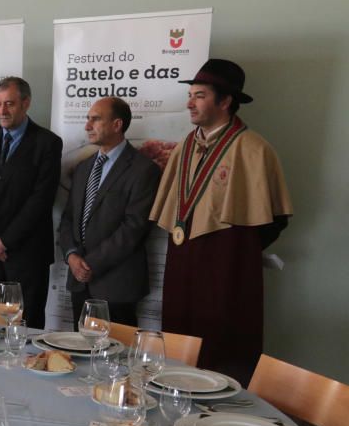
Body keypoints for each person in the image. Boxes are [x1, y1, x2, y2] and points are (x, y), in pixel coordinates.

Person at [150, 59, 293, 384]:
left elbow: (276, 218)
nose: (189, 103)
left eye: (199, 95)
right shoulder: (186, 145)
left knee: (223, 345)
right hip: (183, 262)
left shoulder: (253, 149)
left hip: (227, 267)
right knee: (178, 343)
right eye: (191, 95)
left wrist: (235, 250)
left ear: (225, 101)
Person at [0, 77, 62, 329]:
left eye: (9, 104)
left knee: (26, 326)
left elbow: (41, 200)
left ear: (25, 103)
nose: (2, 111)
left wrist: (4, 242)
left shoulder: (47, 143)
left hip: (26, 254)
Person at [58, 97, 161, 327]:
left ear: (117, 125)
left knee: (116, 358)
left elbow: (134, 228)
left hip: (116, 286)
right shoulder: (84, 168)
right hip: (79, 282)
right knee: (80, 353)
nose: (87, 126)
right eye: (88, 119)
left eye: (95, 119)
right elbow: (68, 218)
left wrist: (89, 265)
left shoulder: (144, 170)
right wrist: (72, 256)